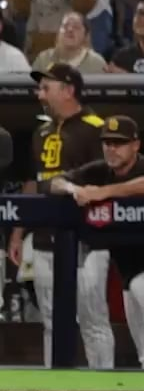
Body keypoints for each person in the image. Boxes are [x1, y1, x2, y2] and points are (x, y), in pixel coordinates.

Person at [46, 115, 144, 371]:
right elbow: (54, 182)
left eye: (119, 143)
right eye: (107, 143)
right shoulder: (98, 171)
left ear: (135, 145)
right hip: (131, 276)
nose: (111, 149)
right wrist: (76, 191)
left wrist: (103, 192)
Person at [8, 64, 111, 368]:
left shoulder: (96, 127)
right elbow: (32, 181)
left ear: (68, 90)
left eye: (45, 88)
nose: (39, 94)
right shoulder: (41, 131)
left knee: (93, 317)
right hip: (43, 237)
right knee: (51, 318)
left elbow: (107, 179)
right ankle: (57, 385)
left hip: (88, 238)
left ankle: (104, 385)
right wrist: (18, 230)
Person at [32, 11, 108, 74]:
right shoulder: (43, 59)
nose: (70, 29)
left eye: (76, 27)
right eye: (65, 26)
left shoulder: (97, 63)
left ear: (86, 36)